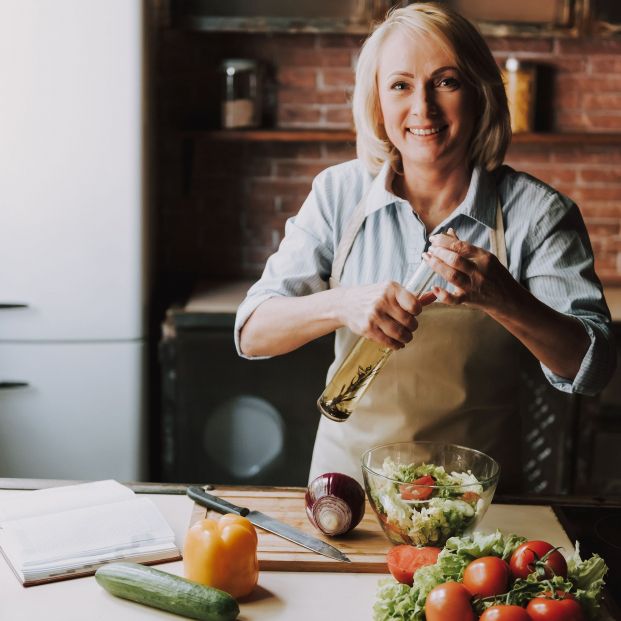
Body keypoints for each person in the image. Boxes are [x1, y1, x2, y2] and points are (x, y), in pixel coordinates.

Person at [233, 2, 616, 492]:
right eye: (400, 85)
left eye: (446, 81)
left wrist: (506, 298)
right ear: (377, 102)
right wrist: (342, 303)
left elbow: (594, 366)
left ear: (480, 94)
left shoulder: (537, 213)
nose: (423, 108)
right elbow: (251, 332)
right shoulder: (338, 194)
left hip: (477, 506)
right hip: (349, 496)